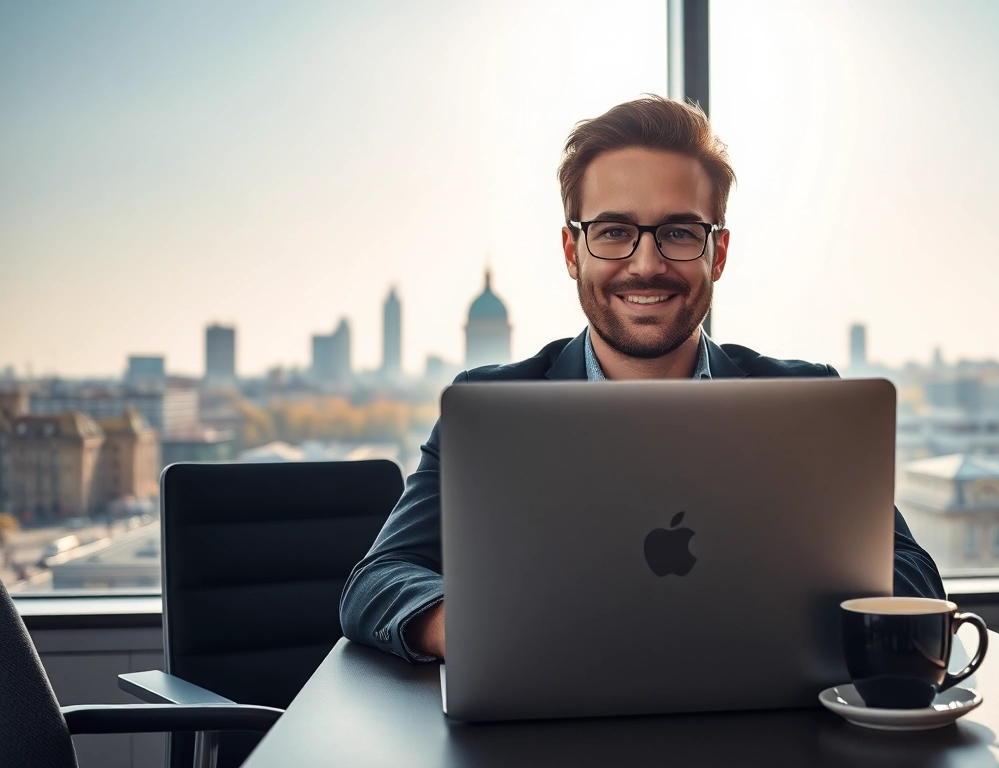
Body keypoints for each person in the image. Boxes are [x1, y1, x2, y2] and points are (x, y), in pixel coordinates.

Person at [340, 95, 944, 662]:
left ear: (720, 253)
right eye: (613, 232)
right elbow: (377, 581)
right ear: (573, 252)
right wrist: (495, 637)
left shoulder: (810, 401)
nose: (646, 263)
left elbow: (911, 574)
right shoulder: (486, 407)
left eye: (680, 232)